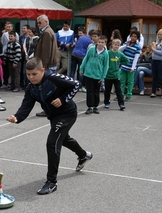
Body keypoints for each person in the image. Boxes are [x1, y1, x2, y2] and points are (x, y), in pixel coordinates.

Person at [6, 57, 92, 195]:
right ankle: (83, 155)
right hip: (54, 116)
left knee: (52, 143)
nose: (31, 77)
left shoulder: (53, 78)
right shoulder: (31, 88)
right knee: (62, 139)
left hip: (67, 113)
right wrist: (17, 117)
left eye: (34, 74)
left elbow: (75, 84)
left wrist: (63, 99)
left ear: (42, 70)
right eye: (28, 74)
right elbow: (26, 105)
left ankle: (51, 182)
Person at [34, 14, 59, 117]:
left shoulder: (47, 33)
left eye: (40, 22)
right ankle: (50, 108)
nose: (38, 24)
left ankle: (48, 109)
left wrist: (42, 66)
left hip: (47, 65)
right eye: (38, 23)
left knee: (47, 88)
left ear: (46, 22)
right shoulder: (48, 31)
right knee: (50, 87)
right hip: (50, 64)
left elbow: (46, 52)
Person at [80, 35, 109, 114]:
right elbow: (86, 58)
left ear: (105, 44)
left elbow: (106, 65)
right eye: (99, 42)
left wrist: (103, 77)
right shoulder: (92, 49)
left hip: (98, 75)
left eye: (102, 42)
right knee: (90, 91)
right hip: (89, 73)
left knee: (96, 91)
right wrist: (81, 68)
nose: (100, 44)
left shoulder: (105, 53)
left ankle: (95, 106)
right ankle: (89, 106)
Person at [104, 39, 129, 110]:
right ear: (112, 45)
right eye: (115, 45)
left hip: (116, 75)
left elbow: (127, 60)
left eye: (118, 45)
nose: (116, 46)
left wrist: (120, 63)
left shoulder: (120, 54)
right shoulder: (108, 53)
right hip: (108, 75)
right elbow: (103, 59)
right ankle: (107, 102)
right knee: (107, 90)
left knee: (118, 90)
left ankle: (121, 104)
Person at [119, 31, 141, 101]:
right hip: (124, 65)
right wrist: (126, 45)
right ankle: (121, 94)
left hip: (131, 67)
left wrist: (133, 67)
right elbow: (119, 50)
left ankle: (128, 95)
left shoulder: (137, 47)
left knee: (130, 82)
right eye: (132, 36)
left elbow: (136, 58)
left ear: (137, 38)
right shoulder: (126, 43)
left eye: (135, 37)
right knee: (122, 81)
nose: (133, 38)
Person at [70, 27, 92, 92]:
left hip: (74, 54)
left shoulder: (81, 37)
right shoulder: (90, 41)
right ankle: (79, 86)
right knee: (80, 71)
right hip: (81, 56)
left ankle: (70, 83)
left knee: (72, 70)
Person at [150, 29, 162, 99]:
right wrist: (153, 50)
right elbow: (155, 50)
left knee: (161, 77)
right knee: (154, 77)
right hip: (154, 60)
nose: (159, 36)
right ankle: (153, 92)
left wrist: (154, 50)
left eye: (160, 34)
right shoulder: (157, 42)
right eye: (158, 34)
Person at [0, 22, 20, 89]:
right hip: (9, 59)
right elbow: (5, 50)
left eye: (12, 36)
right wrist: (4, 59)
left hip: (15, 61)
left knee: (16, 74)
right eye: (10, 36)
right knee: (10, 73)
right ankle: (11, 85)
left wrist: (15, 62)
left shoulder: (16, 44)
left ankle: (16, 86)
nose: (10, 37)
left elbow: (18, 54)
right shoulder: (7, 41)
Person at [19, 24, 30, 89]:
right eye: (22, 28)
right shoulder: (21, 37)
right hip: (22, 55)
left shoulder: (30, 37)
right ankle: (23, 84)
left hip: (28, 56)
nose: (23, 30)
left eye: (24, 28)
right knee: (22, 72)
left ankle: (27, 84)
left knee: (26, 70)